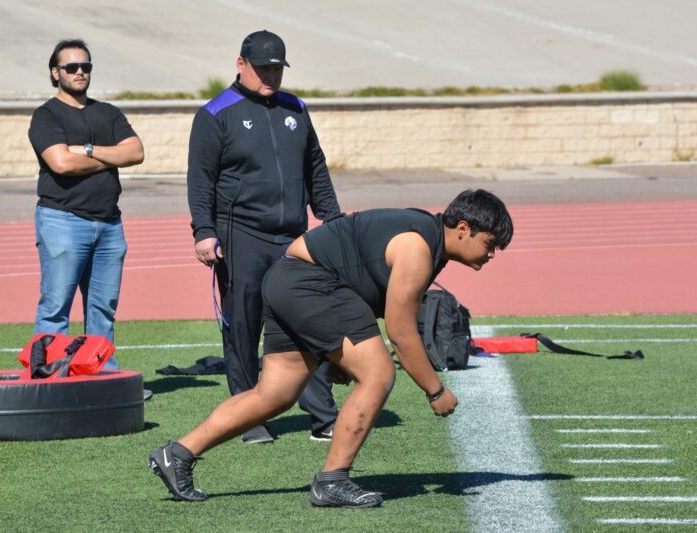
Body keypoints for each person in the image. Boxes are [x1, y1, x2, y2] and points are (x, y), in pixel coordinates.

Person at [149, 189, 514, 508]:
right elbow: (402, 333)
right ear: (463, 228)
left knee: (275, 393)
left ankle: (178, 453)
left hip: (287, 278)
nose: (493, 253)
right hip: (311, 282)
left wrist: (333, 352)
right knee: (379, 373)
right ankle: (332, 481)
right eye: (490, 243)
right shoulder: (418, 247)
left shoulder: (424, 234)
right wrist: (435, 390)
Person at [187, 30, 341, 443]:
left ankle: (323, 416)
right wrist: (204, 231)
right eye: (262, 68)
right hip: (241, 236)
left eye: (277, 68)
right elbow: (200, 180)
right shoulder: (216, 113)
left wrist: (332, 218)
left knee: (305, 322)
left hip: (293, 235)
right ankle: (249, 416)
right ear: (241, 65)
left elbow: (316, 168)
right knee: (244, 325)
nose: (270, 75)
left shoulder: (296, 109)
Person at [28, 39, 144, 369]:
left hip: (109, 224)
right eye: (72, 67)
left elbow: (135, 153)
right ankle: (48, 378)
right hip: (62, 221)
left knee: (102, 309)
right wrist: (111, 157)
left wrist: (88, 151)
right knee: (56, 306)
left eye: (86, 67)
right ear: (55, 73)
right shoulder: (46, 116)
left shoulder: (108, 112)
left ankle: (101, 377)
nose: (80, 72)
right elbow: (61, 163)